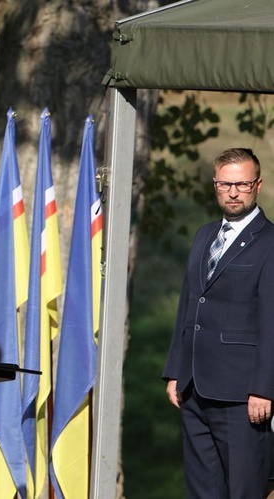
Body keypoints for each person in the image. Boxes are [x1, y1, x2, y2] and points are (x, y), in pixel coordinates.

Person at [163, 147, 274, 498]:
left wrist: (265, 388)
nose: (233, 192)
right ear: (215, 185)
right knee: (202, 490)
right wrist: (175, 372)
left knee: (244, 490)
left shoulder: (271, 242)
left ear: (257, 185)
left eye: (241, 184)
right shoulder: (203, 235)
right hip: (194, 389)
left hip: (242, 395)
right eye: (225, 184)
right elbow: (188, 306)